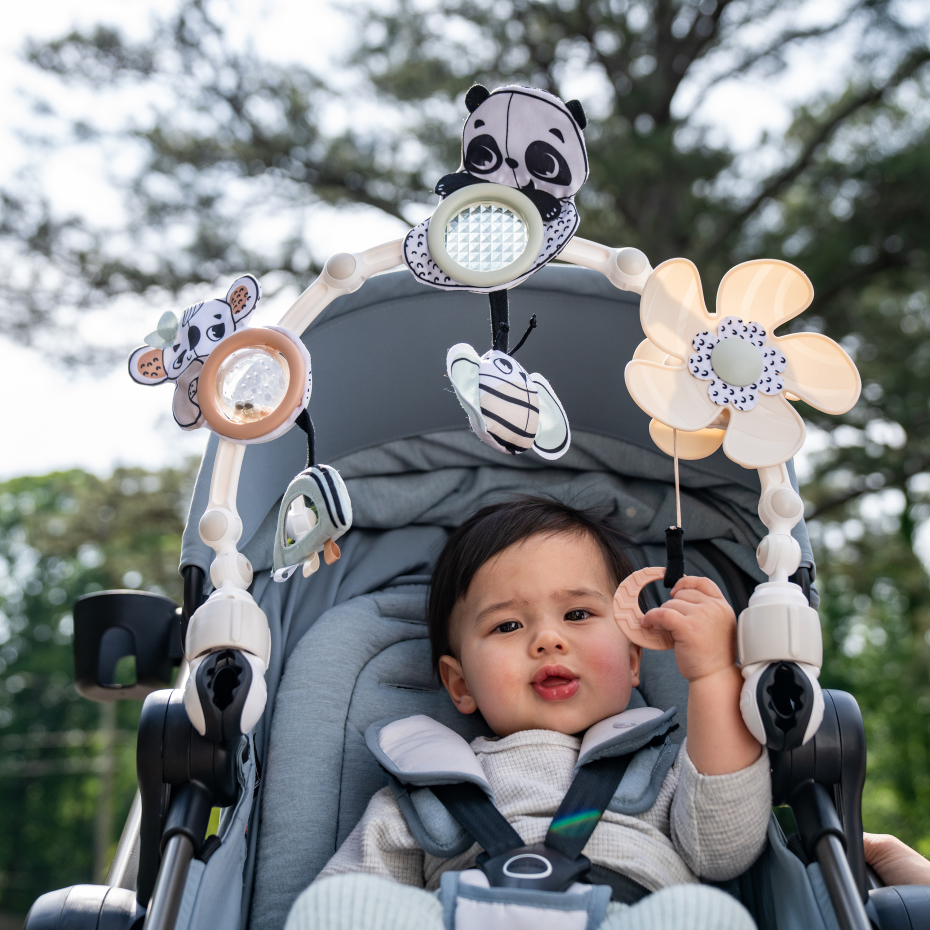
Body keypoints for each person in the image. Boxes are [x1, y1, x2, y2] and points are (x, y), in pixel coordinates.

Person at [286, 497, 771, 930]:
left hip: (624, 911)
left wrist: (712, 674)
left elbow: (723, 848)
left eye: (578, 615)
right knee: (337, 902)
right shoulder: (430, 786)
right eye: (508, 625)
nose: (547, 639)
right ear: (460, 684)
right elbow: (352, 898)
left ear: (631, 658)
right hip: (464, 914)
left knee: (712, 916)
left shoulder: (658, 768)